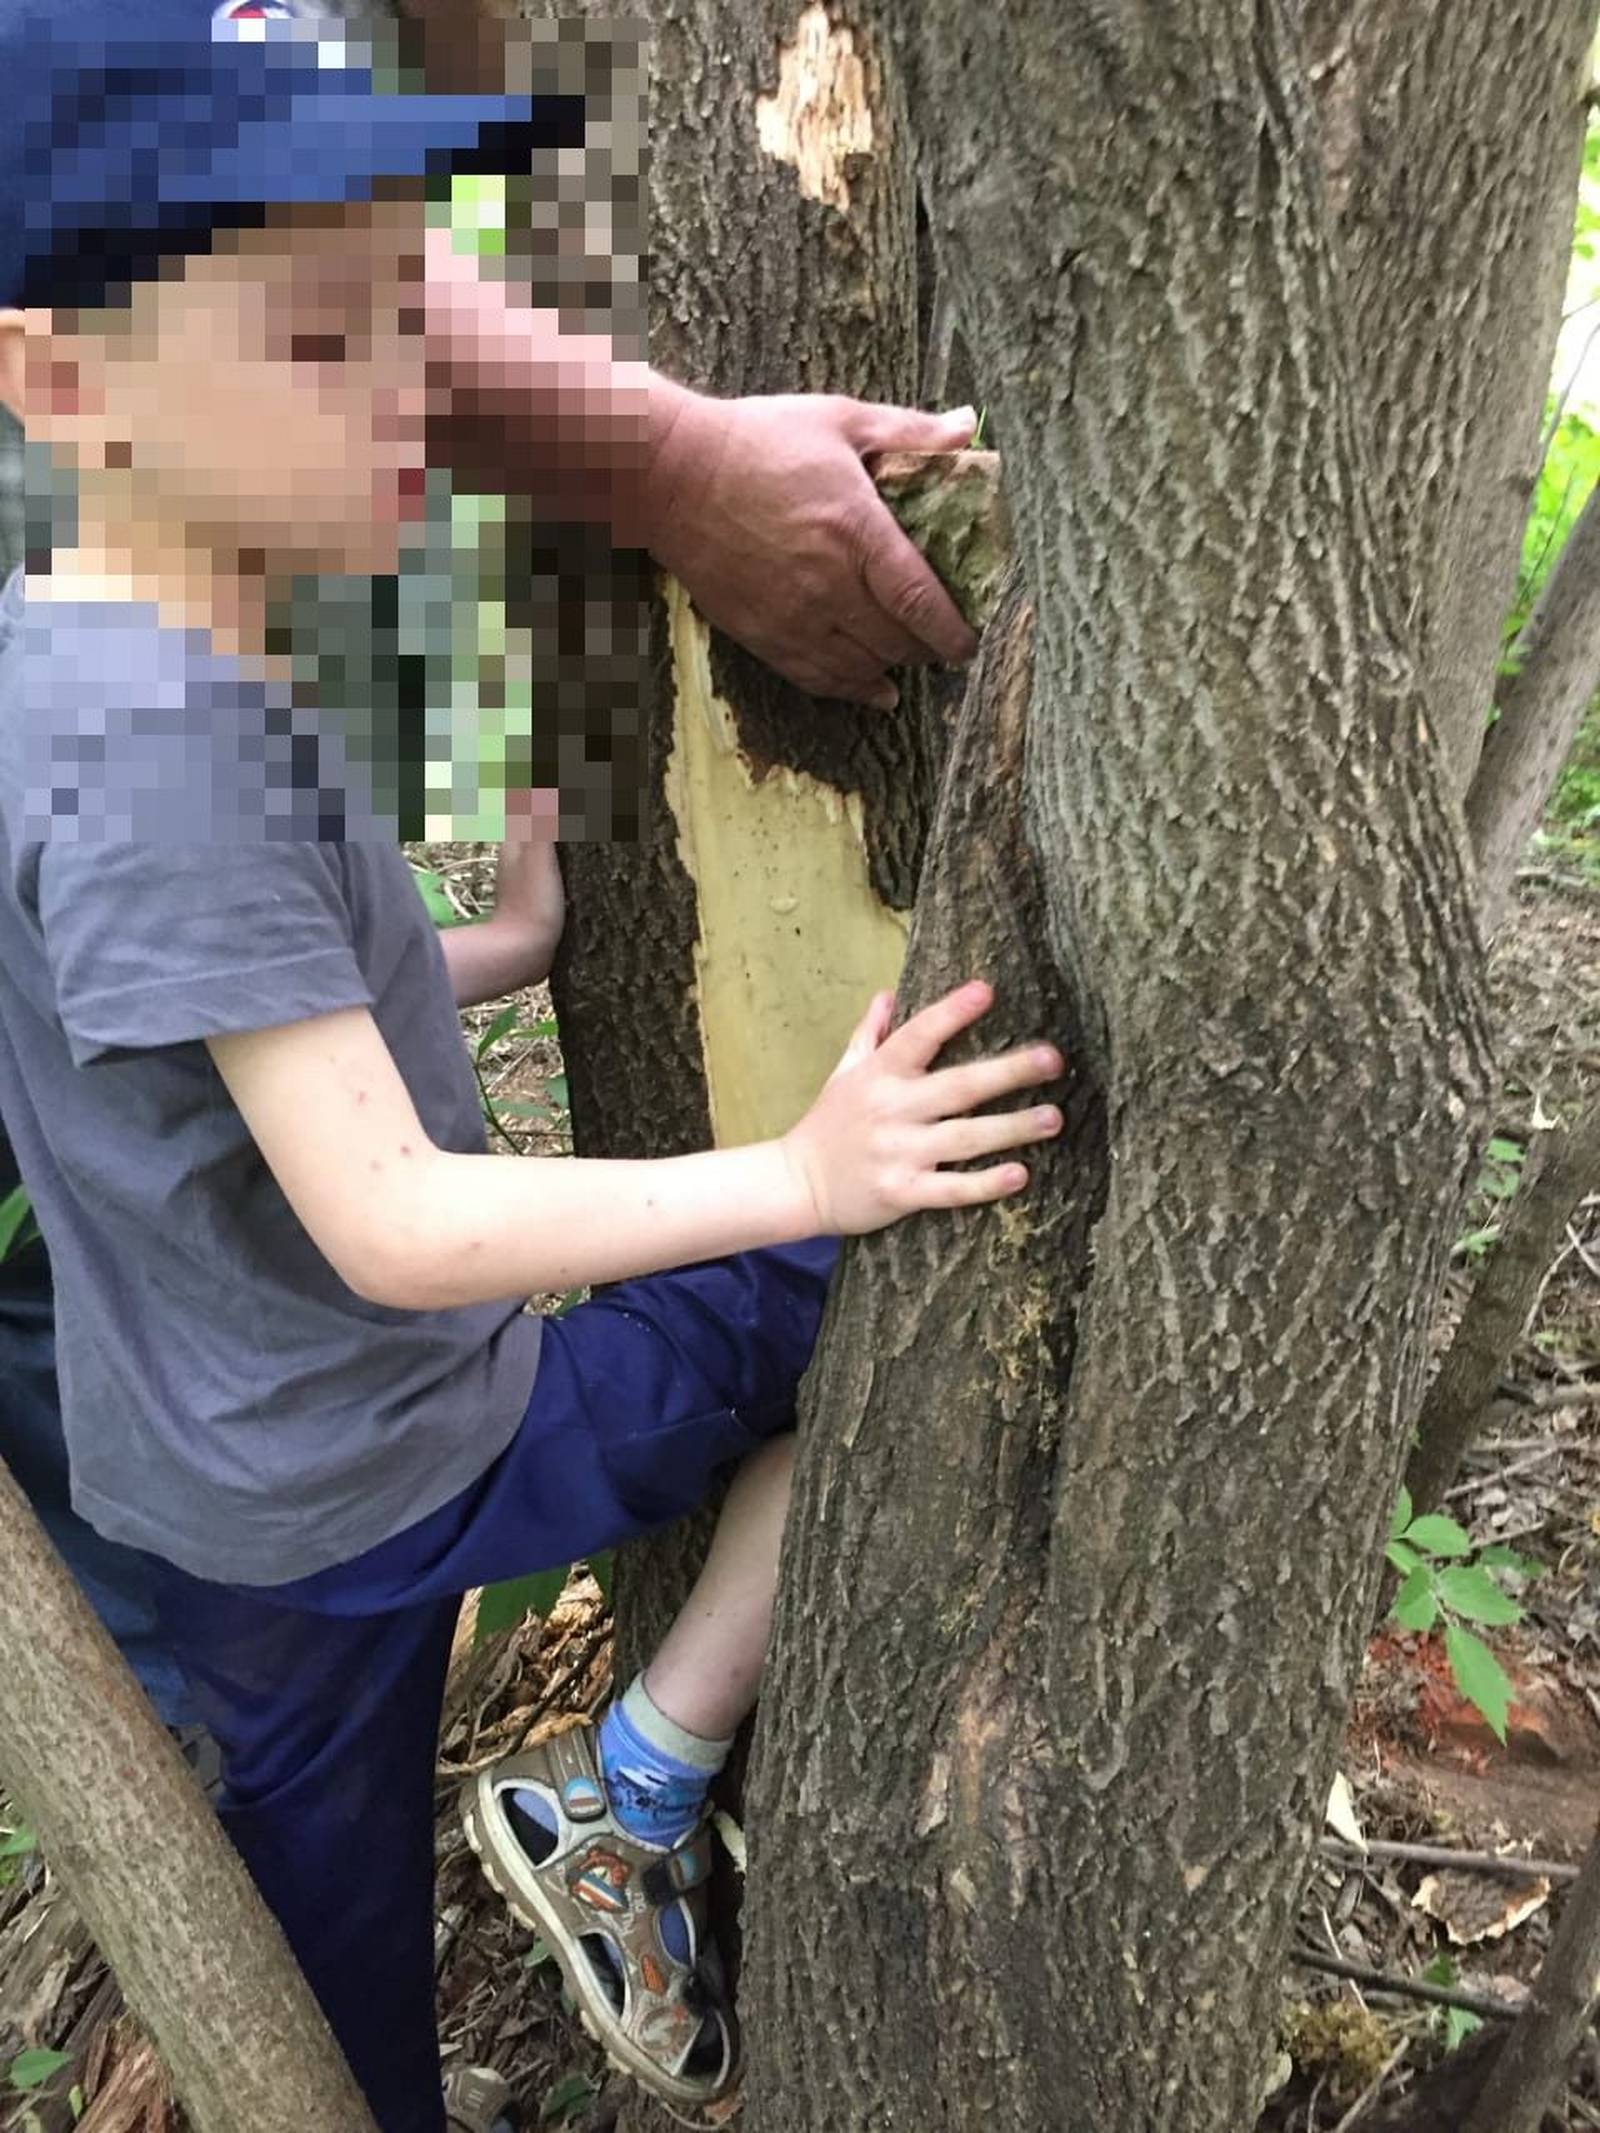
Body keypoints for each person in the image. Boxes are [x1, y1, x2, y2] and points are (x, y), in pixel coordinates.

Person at [0, 12, 1066, 2133]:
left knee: (320, 1926)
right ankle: (627, 1783)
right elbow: (394, 1221)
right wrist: (810, 1170)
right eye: (306, 339)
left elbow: (187, 1037)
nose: (402, 383)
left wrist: (494, 949)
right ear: (58, 383)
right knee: (852, 1306)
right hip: (374, 1455)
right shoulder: (173, 751)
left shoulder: (83, 650)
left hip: (204, 1475)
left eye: (402, 304)